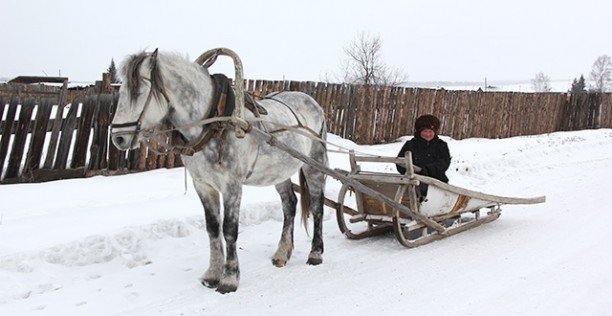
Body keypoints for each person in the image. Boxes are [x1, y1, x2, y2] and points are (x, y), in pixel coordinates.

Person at [396, 114, 451, 199]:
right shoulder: (410, 145)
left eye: (430, 132)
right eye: (425, 131)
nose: (428, 134)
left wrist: (426, 170)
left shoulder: (441, 145)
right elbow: (400, 163)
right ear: (419, 132)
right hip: (413, 181)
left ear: (435, 132)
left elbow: (443, 164)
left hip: (437, 182)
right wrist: (413, 171)